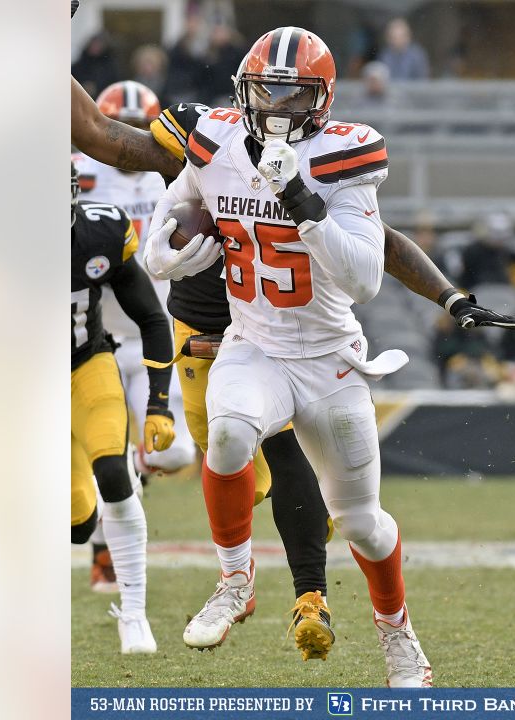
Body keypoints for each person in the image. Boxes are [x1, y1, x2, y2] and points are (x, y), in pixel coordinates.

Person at [143, 26, 433, 687]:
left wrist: (301, 199)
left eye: (292, 96)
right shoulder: (214, 142)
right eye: (264, 93)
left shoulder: (344, 156)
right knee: (226, 436)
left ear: (322, 101)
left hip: (330, 358)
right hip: (255, 346)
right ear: (243, 93)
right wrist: (174, 251)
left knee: (363, 524)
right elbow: (167, 228)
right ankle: (234, 578)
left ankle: (399, 635)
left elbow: (364, 279)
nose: (275, 109)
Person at [74, 81, 198, 592]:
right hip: (96, 329)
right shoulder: (80, 173)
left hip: (154, 327)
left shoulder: (167, 173)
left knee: (173, 454)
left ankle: (124, 477)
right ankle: (107, 551)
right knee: (111, 449)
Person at [69, 164, 176, 654]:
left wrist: (158, 403)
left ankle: (133, 614)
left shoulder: (99, 233)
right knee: (75, 523)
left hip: (86, 367)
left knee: (115, 472)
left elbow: (153, 318)